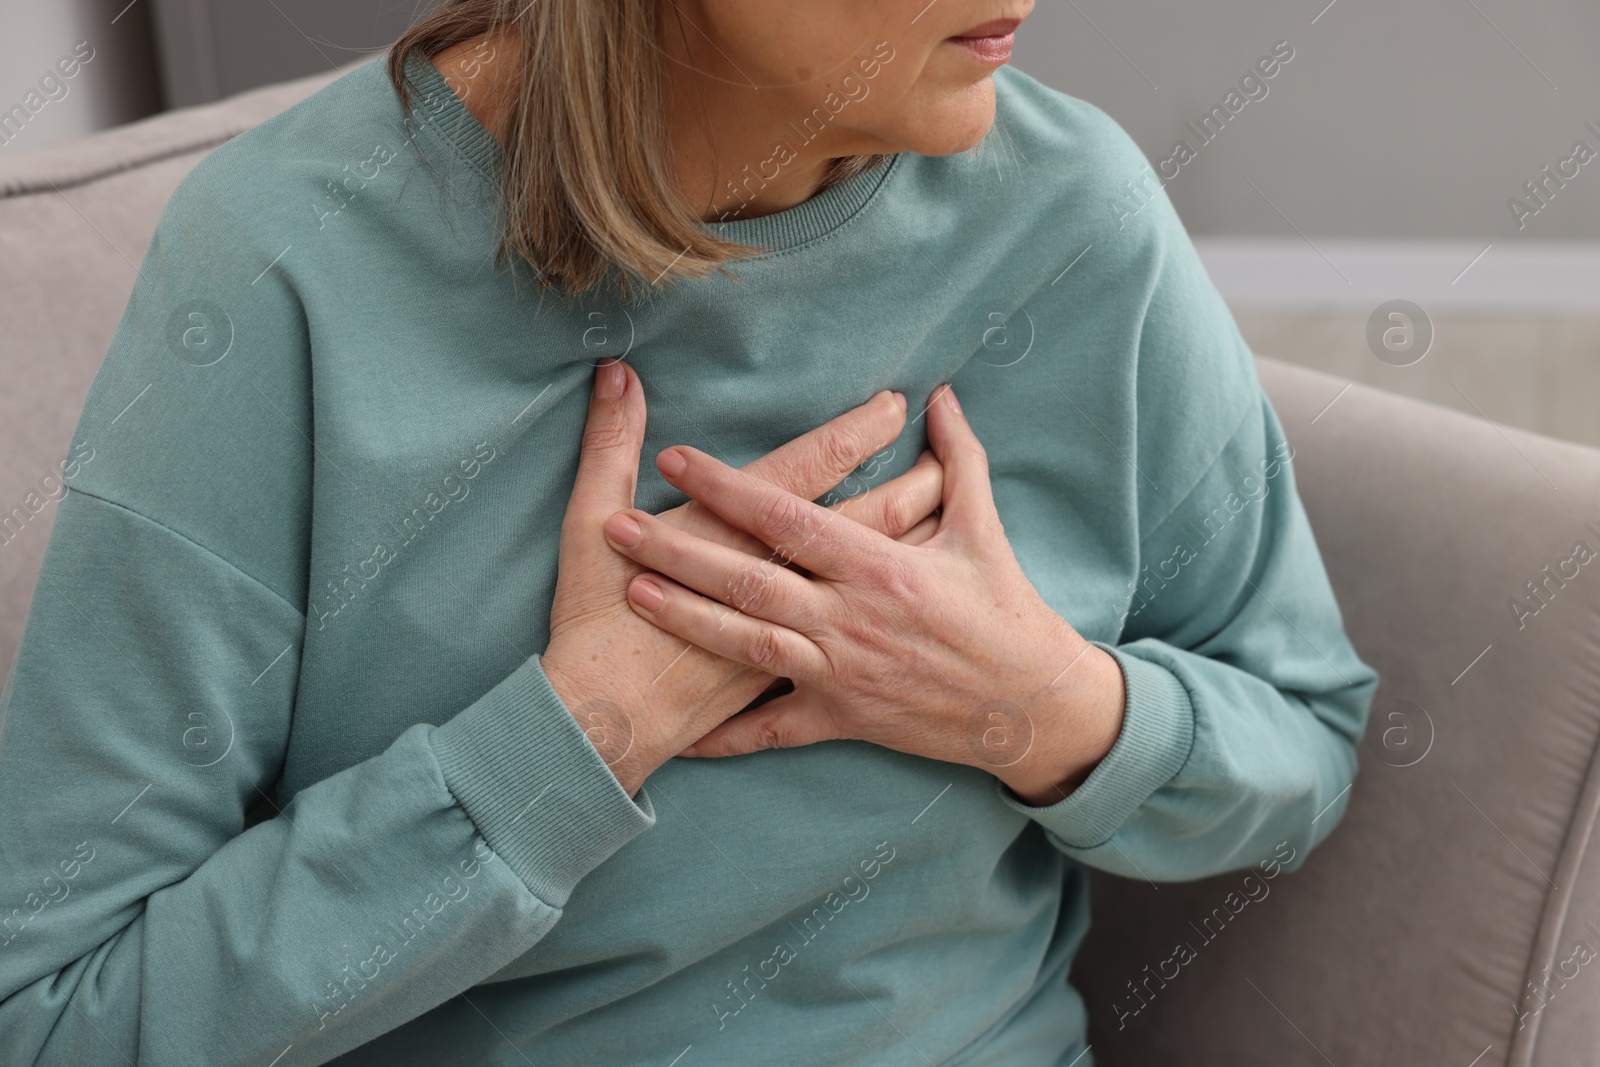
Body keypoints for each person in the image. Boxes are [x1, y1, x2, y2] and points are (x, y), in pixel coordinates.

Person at [0, 1, 1379, 1064]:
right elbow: (55, 1020)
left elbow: (1303, 739)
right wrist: (569, 746)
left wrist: (1037, 706)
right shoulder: (285, 266)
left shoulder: (1077, 215)